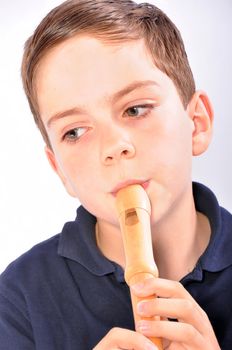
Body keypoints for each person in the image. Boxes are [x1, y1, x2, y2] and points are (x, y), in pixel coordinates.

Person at [0, 0, 231, 348]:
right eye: (74, 132)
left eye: (135, 109)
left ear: (196, 124)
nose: (113, 146)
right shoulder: (18, 300)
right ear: (59, 169)